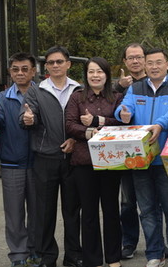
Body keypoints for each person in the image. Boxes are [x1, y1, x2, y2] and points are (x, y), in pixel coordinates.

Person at [114, 48, 168, 267]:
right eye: (150, 63)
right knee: (147, 211)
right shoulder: (135, 87)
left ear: (167, 64)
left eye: (159, 62)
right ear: (145, 66)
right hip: (140, 159)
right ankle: (154, 253)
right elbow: (124, 106)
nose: (154, 66)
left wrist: (162, 124)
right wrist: (123, 114)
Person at [20, 46, 82, 267]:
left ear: (68, 64)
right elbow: (27, 115)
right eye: (51, 63)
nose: (55, 65)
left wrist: (75, 140)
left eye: (59, 61)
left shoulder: (79, 89)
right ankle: (48, 257)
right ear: (45, 67)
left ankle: (73, 256)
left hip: (74, 159)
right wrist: (28, 119)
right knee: (44, 212)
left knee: (72, 211)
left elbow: (83, 121)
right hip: (45, 159)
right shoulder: (37, 90)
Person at [65, 57, 124, 267]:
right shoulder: (77, 98)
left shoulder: (117, 97)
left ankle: (113, 258)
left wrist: (100, 122)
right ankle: (93, 259)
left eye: (99, 71)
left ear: (107, 75)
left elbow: (122, 122)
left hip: (110, 160)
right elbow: (70, 125)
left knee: (111, 211)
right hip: (84, 161)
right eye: (91, 72)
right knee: (88, 212)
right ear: (86, 75)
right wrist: (89, 132)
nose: (95, 75)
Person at [0, 53, 40, 267]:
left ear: (33, 71)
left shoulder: (43, 94)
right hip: (12, 162)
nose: (20, 73)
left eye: (24, 69)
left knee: (38, 212)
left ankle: (36, 251)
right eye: (15, 69)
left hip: (39, 163)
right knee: (14, 214)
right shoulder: (1, 98)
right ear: (10, 72)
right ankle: (18, 255)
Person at [115, 43, 148, 260]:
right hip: (126, 152)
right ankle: (129, 242)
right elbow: (111, 111)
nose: (135, 61)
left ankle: (158, 243)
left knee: (153, 203)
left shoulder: (155, 81)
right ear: (125, 62)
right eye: (130, 58)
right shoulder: (118, 86)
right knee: (127, 203)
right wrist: (119, 87)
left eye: (139, 57)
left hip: (150, 148)